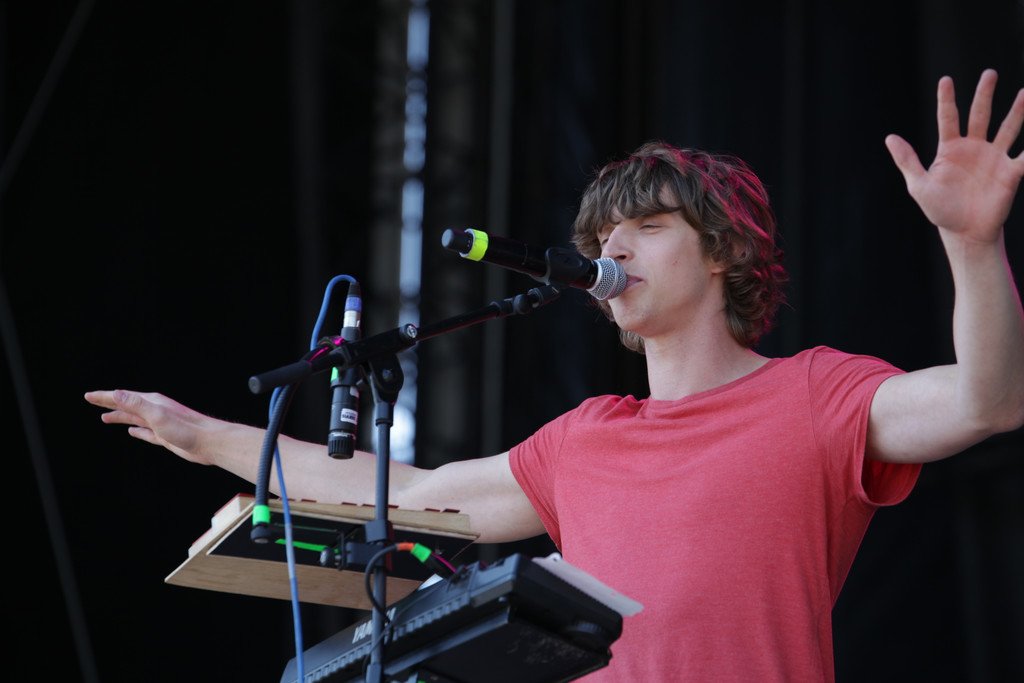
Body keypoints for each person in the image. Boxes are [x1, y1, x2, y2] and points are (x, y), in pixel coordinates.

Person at [85, 69, 1024, 681]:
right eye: (604, 236)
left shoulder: (814, 394)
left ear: (726, 252)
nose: (614, 249)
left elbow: (989, 399)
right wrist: (207, 436)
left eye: (648, 226)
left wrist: (972, 244)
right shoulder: (585, 437)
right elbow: (405, 493)